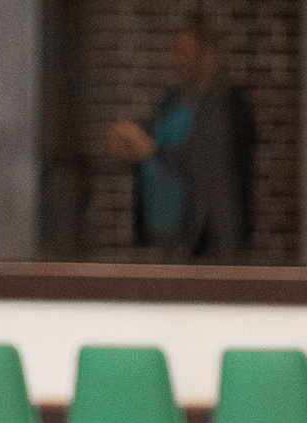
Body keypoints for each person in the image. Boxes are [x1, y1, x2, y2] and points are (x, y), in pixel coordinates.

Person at [103, 15, 257, 260]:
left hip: (204, 241)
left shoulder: (225, 105)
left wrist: (149, 149)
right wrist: (129, 146)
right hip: (164, 239)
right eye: (174, 52)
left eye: (186, 52)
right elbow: (151, 146)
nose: (177, 60)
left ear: (207, 56)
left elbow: (207, 161)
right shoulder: (171, 101)